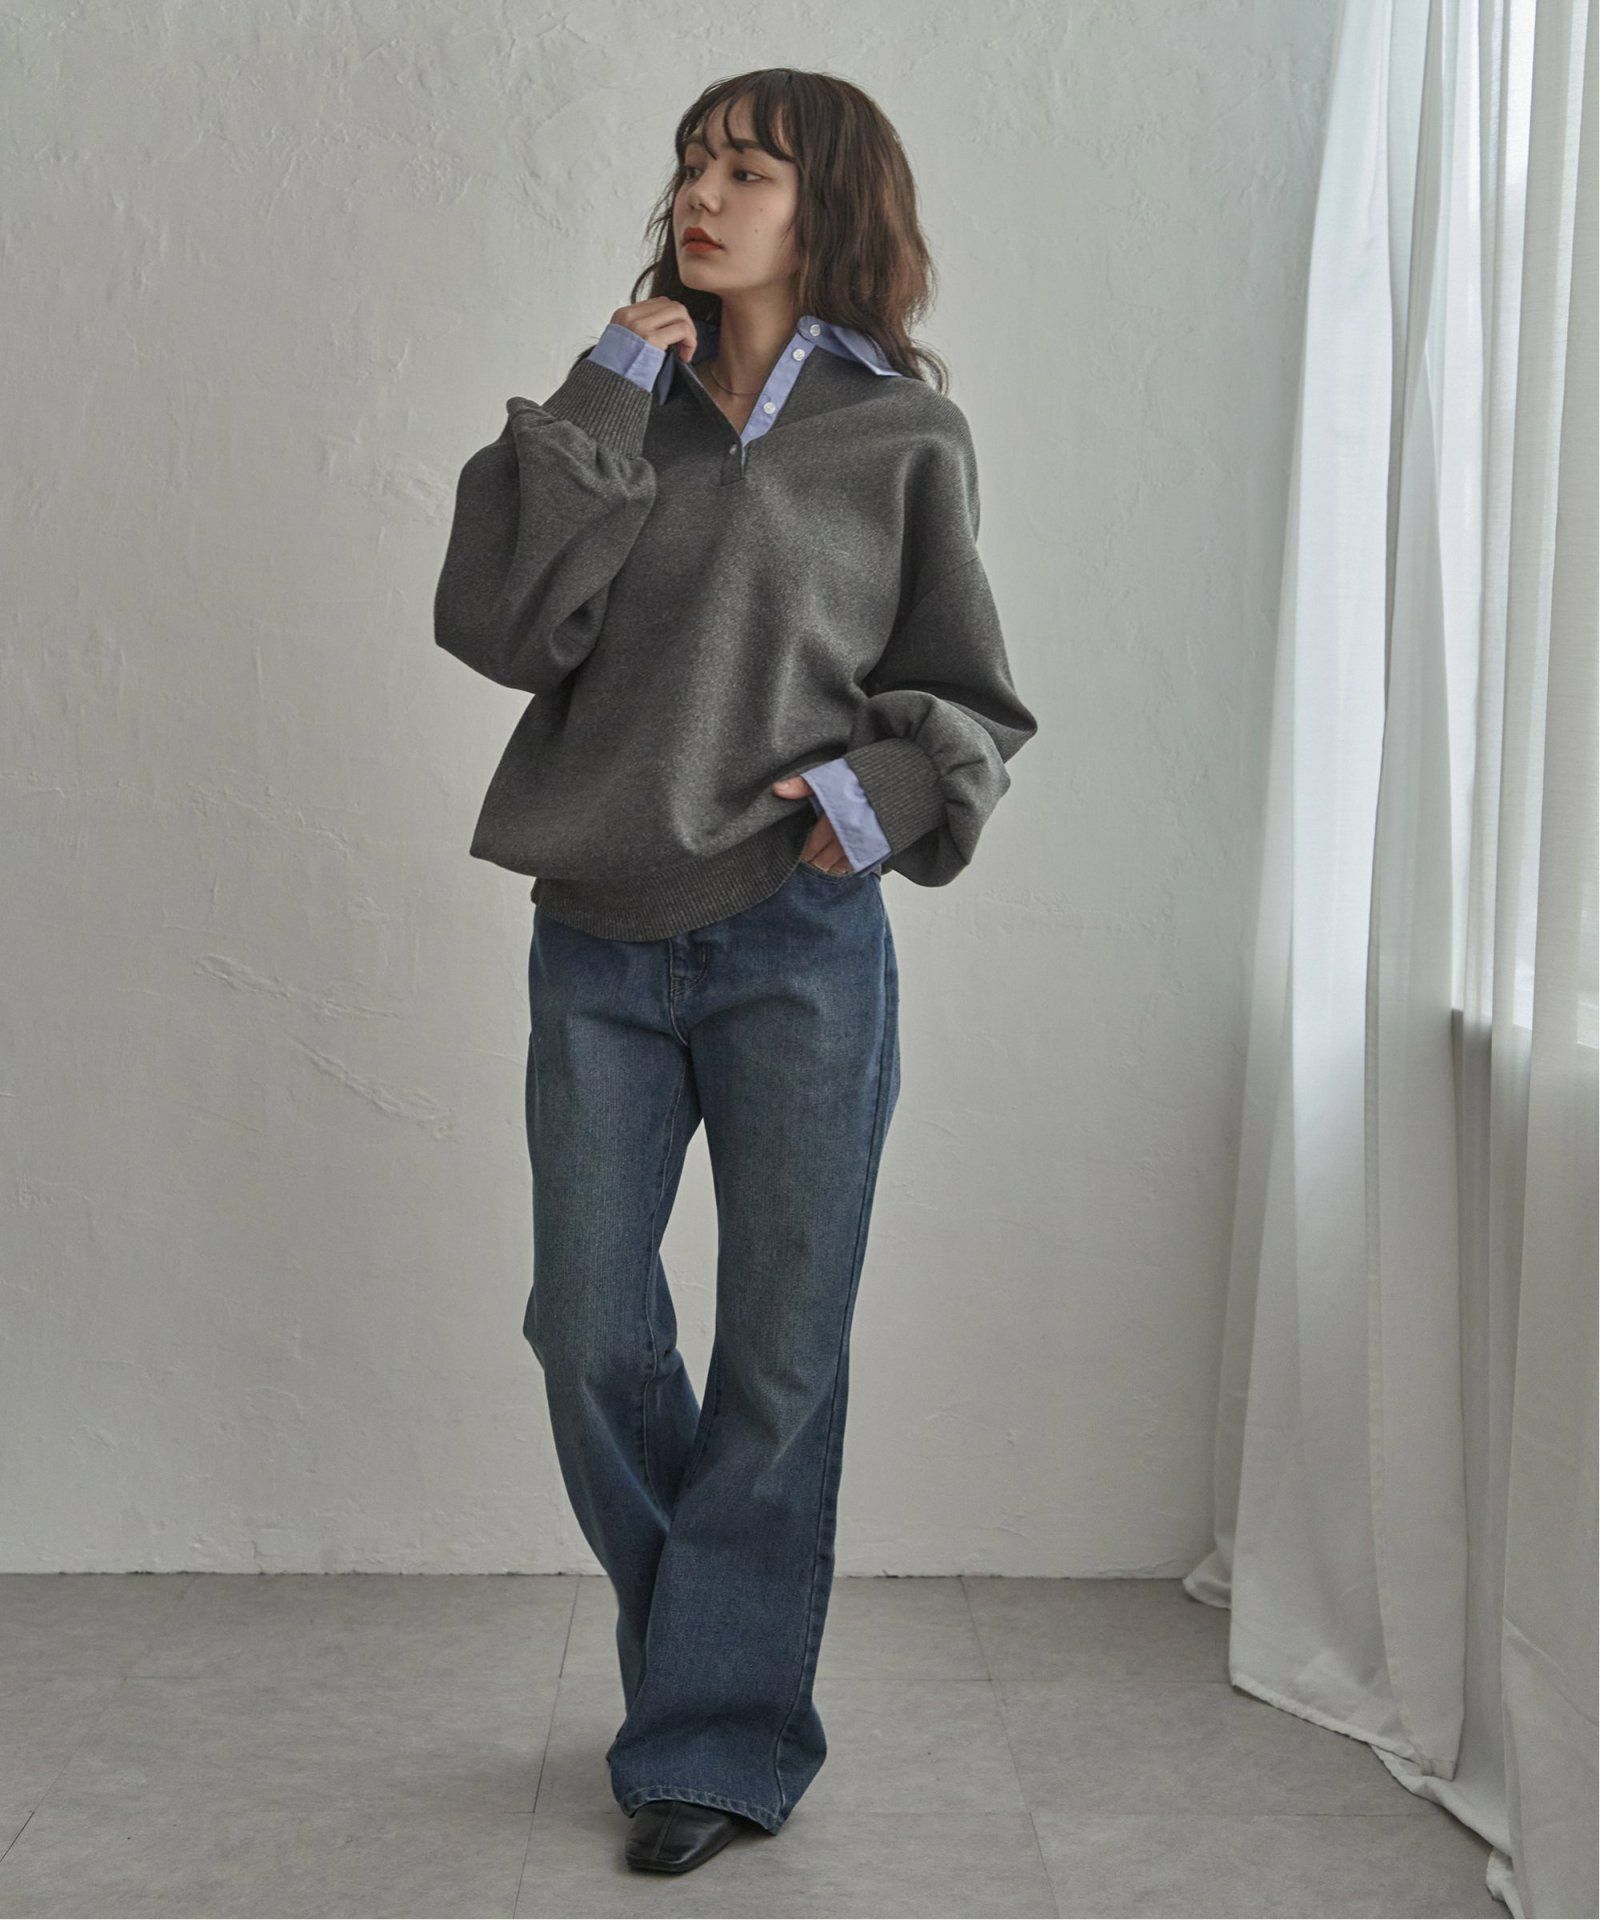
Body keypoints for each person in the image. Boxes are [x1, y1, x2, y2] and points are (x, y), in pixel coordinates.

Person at [433, 67, 1038, 1876]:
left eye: (749, 168)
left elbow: (970, 700)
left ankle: (710, 1738)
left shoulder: (900, 436)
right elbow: (498, 626)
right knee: (585, 1332)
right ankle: (717, 1677)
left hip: (799, 940)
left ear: (824, 204)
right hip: (599, 939)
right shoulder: (610, 414)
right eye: (694, 164)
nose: (705, 193)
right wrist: (599, 398)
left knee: (781, 1358)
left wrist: (873, 797)